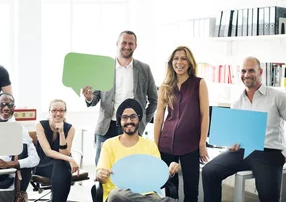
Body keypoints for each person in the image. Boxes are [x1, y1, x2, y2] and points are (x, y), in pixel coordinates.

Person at [202, 57, 286, 202]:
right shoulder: (237, 101)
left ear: (260, 72)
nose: (246, 74)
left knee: (269, 197)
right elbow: (236, 132)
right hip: (241, 151)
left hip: (269, 153)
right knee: (209, 171)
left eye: (251, 70)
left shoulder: (278, 97)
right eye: (243, 71)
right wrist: (232, 143)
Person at [82, 30, 158, 165]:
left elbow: (153, 100)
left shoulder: (144, 69)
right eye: (124, 43)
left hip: (133, 127)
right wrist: (89, 98)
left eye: (131, 43)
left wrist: (143, 121)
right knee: (103, 167)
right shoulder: (104, 68)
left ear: (135, 46)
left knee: (130, 167)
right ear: (117, 44)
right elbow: (95, 98)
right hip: (107, 126)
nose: (127, 46)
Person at [153, 46, 209, 201]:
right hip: (167, 144)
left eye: (183, 58)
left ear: (190, 63)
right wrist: (155, 146)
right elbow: (159, 118)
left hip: (190, 145)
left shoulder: (199, 83)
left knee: (191, 190)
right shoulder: (165, 87)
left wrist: (202, 143)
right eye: (176, 59)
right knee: (169, 188)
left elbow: (205, 115)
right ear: (171, 63)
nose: (179, 62)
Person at [97, 99, 179, 202]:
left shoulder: (150, 145)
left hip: (147, 194)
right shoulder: (109, 145)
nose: (129, 121)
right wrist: (100, 176)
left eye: (133, 117)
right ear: (119, 120)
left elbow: (157, 179)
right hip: (120, 198)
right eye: (124, 117)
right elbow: (102, 178)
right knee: (115, 194)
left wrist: (169, 172)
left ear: (139, 119)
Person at [34, 99, 79, 202]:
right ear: (49, 112)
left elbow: (65, 152)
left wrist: (62, 132)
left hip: (60, 167)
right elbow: (48, 152)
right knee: (63, 166)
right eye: (54, 110)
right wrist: (70, 159)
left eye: (61, 110)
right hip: (43, 165)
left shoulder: (70, 129)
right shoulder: (40, 125)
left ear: (65, 112)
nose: (58, 113)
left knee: (61, 165)